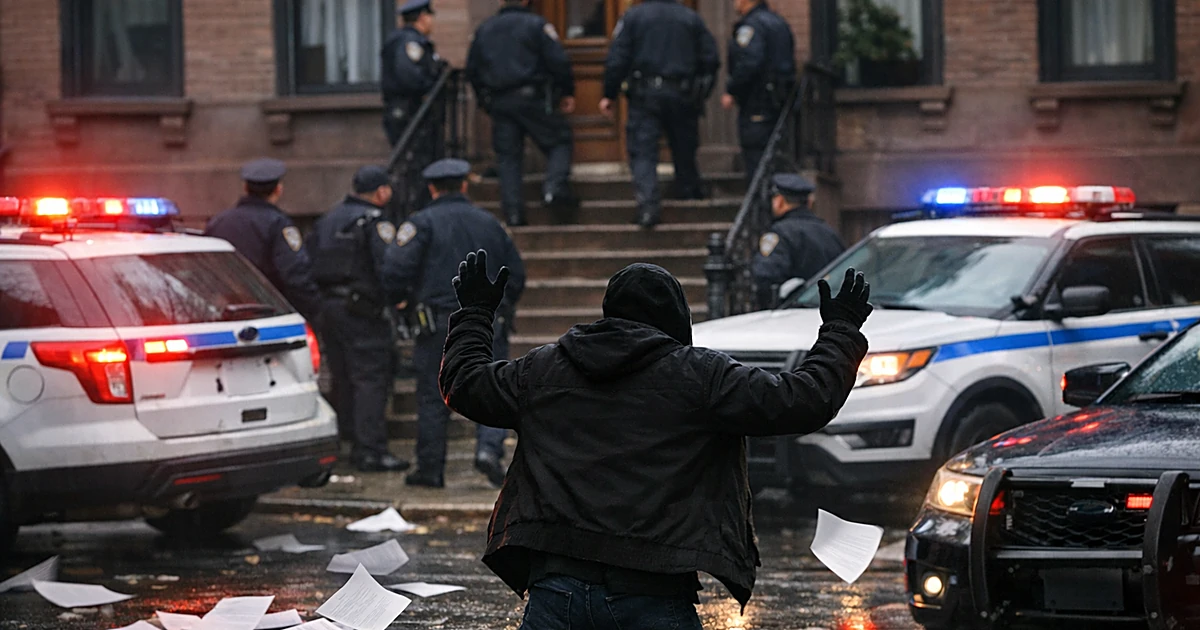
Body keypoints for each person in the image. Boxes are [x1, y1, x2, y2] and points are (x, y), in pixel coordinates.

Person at [440, 251, 871, 628]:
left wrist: (477, 314)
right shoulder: (701, 376)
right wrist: (839, 331)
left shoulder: (544, 368)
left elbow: (464, 383)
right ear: (677, 320)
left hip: (556, 590)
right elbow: (802, 401)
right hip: (653, 590)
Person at [382, 158, 527, 488]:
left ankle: (431, 468)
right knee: (493, 387)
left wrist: (401, 299)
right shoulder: (491, 224)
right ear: (464, 185)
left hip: (439, 324)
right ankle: (489, 451)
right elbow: (516, 274)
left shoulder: (421, 223)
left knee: (434, 394)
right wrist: (502, 307)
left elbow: (394, 268)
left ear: (432, 188)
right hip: (489, 320)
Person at [307, 166, 410, 473]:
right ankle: (371, 450)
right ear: (381, 192)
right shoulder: (375, 222)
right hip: (362, 310)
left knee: (343, 377)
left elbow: (307, 261)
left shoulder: (327, 219)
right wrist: (399, 299)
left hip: (329, 308)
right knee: (370, 379)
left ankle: (347, 439)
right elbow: (389, 267)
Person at [600, 0, 719, 228]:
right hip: (682, 94)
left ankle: (648, 207)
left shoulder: (634, 17)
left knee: (643, 151)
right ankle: (689, 197)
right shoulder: (690, 17)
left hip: (645, 95)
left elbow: (618, 57)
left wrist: (609, 93)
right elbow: (710, 58)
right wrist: (701, 91)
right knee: (684, 146)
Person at [467, 0, 577, 227]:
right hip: (533, 99)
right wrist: (566, 91)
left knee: (508, 159)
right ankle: (554, 189)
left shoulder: (485, 29)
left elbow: (473, 70)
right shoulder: (536, 25)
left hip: (501, 102)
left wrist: (484, 100)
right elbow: (557, 60)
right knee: (560, 140)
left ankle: (514, 214)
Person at [205, 158, 322, 323]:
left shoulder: (219, 221)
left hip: (223, 312)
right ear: (278, 189)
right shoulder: (278, 224)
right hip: (267, 313)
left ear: (245, 188)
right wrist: (313, 308)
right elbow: (295, 273)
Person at [381, 0, 446, 216]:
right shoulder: (408, 42)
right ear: (422, 17)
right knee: (413, 165)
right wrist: (429, 84)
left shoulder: (409, 40)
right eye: (429, 16)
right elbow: (409, 76)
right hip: (408, 112)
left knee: (418, 163)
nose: (431, 21)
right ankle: (411, 211)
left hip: (410, 112)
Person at [721, 0, 796, 180]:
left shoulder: (751, 25)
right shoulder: (779, 23)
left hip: (757, 102)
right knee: (776, 159)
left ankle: (761, 205)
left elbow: (750, 62)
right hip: (779, 102)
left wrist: (732, 89)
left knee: (757, 161)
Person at [751, 173, 846, 309]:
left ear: (779, 202)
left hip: (793, 314)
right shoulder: (829, 232)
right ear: (809, 202)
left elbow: (766, 276)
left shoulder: (779, 233)